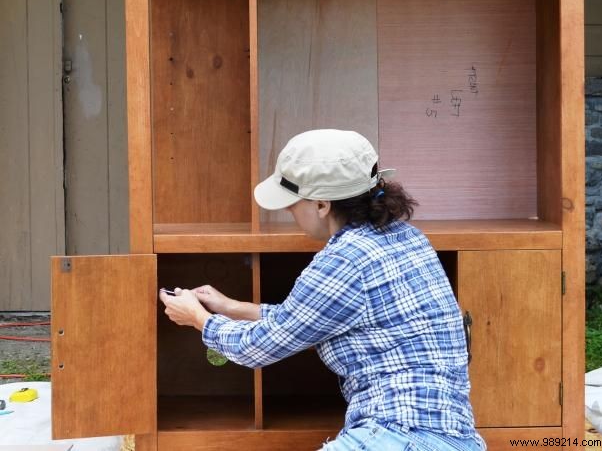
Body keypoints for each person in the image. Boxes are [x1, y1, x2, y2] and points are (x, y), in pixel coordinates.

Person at [159, 129, 486, 451]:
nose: (287, 211)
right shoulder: (406, 237)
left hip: (400, 436)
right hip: (453, 436)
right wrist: (233, 307)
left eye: (291, 202)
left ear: (321, 205)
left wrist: (198, 318)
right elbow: (311, 319)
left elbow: (256, 349)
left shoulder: (343, 260)